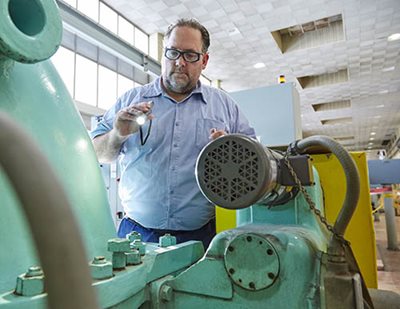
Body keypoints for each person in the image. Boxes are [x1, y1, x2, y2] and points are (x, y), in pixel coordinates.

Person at [91, 18, 256, 249]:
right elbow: (97, 154)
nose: (179, 62)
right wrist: (117, 135)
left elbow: (253, 166)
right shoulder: (131, 101)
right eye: (172, 53)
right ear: (163, 54)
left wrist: (231, 151)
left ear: (204, 60)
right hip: (136, 235)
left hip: (201, 237)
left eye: (190, 55)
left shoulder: (224, 106)